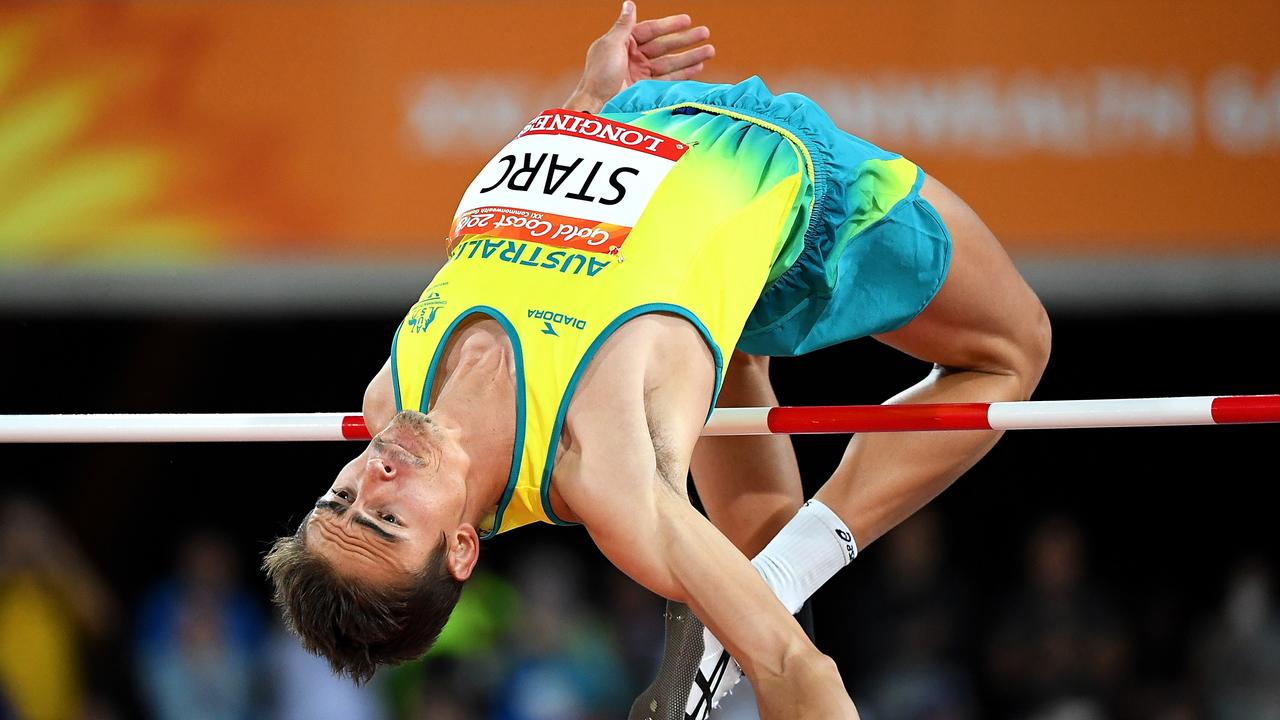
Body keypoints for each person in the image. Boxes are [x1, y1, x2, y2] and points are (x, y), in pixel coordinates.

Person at [263, 3, 1051, 719]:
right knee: (1012, 350)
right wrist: (761, 626)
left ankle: (763, 580)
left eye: (339, 499)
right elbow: (795, 672)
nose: (375, 477)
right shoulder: (602, 470)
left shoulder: (388, 392)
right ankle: (780, 580)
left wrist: (587, 101)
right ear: (461, 548)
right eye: (389, 520)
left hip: (639, 116)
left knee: (742, 478)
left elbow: (513, 239)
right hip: (796, 191)